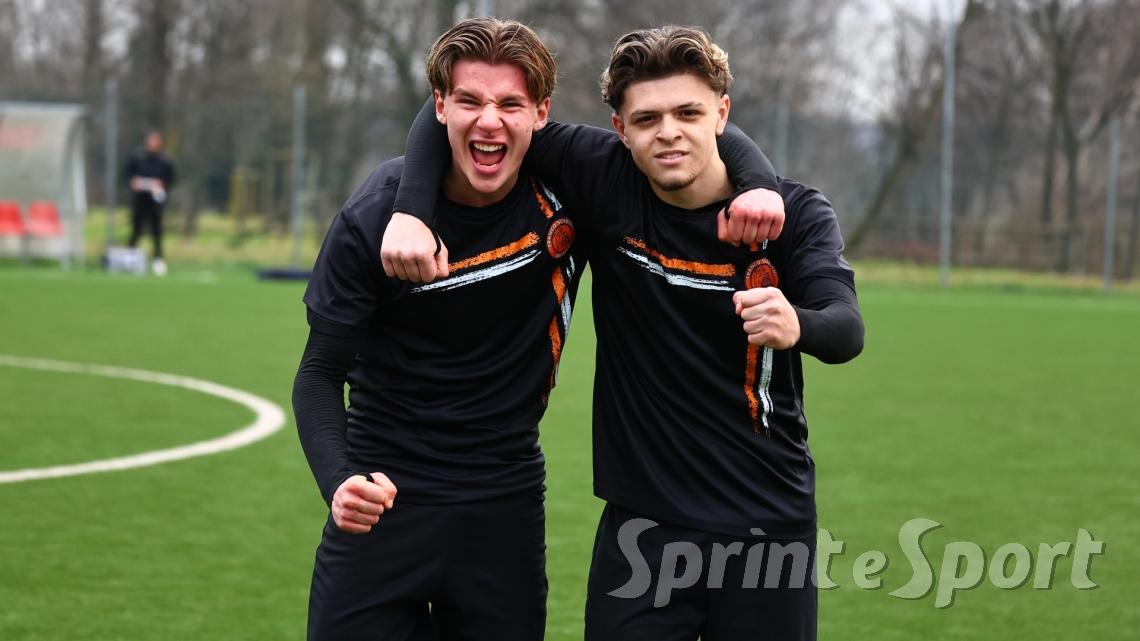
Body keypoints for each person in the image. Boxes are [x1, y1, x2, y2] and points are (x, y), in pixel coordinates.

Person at [292, 18, 781, 641]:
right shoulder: (375, 215)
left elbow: (692, 123)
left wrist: (760, 184)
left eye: (510, 104)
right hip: (383, 501)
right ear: (439, 106)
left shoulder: (572, 188)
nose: (489, 122)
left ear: (541, 114)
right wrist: (339, 481)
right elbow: (318, 374)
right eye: (468, 101)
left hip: (504, 509)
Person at [388, 25, 864, 641]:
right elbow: (465, 113)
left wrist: (797, 322)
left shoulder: (796, 216)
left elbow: (846, 329)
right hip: (643, 527)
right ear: (620, 129)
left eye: (688, 113)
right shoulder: (604, 179)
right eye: (647, 119)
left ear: (722, 114)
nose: (669, 132)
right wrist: (410, 210)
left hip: (768, 521)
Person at [125, 130, 175, 276]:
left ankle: (158, 259)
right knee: (136, 230)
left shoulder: (164, 162)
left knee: (157, 232)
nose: (152, 145)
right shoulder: (138, 159)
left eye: (155, 142)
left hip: (155, 203)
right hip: (140, 201)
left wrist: (161, 184)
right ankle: (130, 258)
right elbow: (128, 174)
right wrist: (133, 182)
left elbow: (170, 179)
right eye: (150, 142)